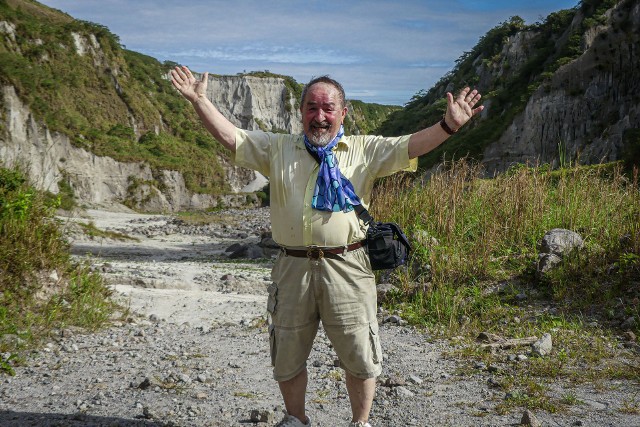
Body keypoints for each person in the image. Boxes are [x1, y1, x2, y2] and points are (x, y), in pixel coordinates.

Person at [170, 66, 483, 427]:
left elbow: (410, 144)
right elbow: (233, 137)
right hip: (292, 268)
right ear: (300, 112)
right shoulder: (277, 148)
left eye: (328, 109)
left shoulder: (365, 149)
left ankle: (360, 423)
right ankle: (297, 420)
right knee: (286, 354)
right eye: (312, 108)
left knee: (359, 354)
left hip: (348, 266)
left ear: (343, 113)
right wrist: (199, 101)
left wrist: (449, 126)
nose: (320, 117)